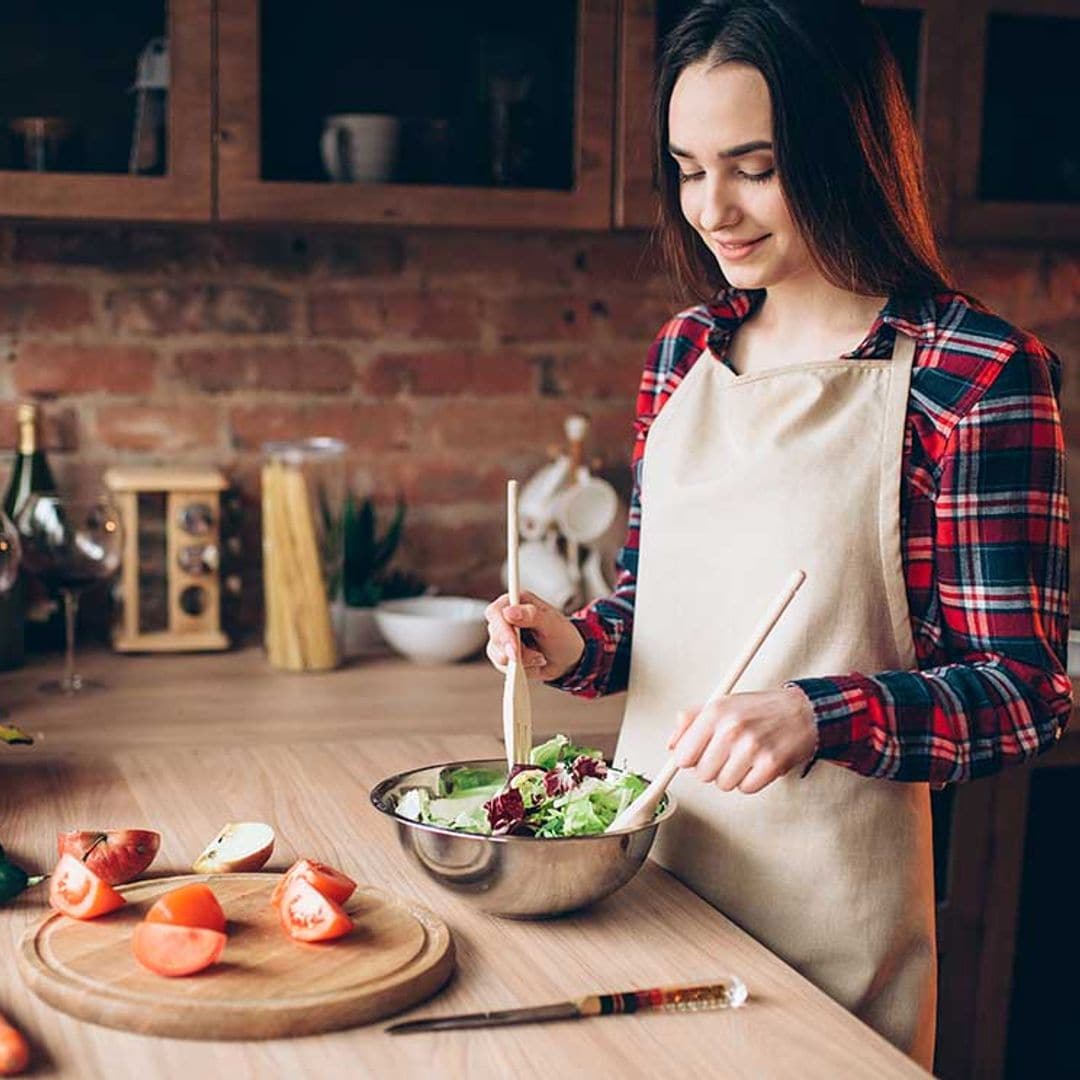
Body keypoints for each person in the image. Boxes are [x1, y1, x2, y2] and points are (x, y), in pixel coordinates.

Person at [485, 0, 1071, 1068]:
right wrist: (571, 643)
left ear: (846, 151)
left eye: (754, 165)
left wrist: (819, 715)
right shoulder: (684, 353)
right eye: (688, 166)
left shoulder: (974, 373)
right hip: (641, 895)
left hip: (825, 944)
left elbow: (1028, 689)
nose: (713, 208)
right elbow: (655, 604)